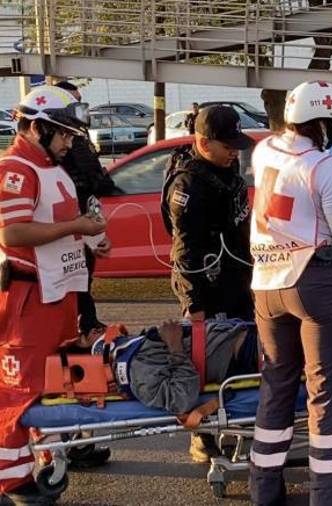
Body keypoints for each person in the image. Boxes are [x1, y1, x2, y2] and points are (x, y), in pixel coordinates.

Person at [248, 80, 332, 506]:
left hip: (266, 283)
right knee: (326, 395)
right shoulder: (324, 167)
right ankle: (326, 497)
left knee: (276, 384)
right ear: (322, 124)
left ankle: (264, 491)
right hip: (318, 283)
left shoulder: (263, 151)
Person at [0, 86, 107, 505]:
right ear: (36, 128)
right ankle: (11, 480)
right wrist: (75, 227)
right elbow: (13, 233)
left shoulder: (52, 168)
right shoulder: (15, 168)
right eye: (62, 133)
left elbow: (58, 224)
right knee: (18, 390)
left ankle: (52, 454)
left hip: (59, 293)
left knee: (59, 384)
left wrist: (89, 238)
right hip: (29, 298)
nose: (69, 142)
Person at [161, 105, 255, 461]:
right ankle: (202, 437)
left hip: (238, 280)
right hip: (205, 287)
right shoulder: (188, 185)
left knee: (244, 360)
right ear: (203, 141)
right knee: (206, 364)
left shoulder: (228, 170)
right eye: (227, 144)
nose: (235, 150)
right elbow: (184, 251)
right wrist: (194, 306)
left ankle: (239, 423)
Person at [74, 318, 258, 415]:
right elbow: (182, 400)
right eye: (84, 335)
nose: (93, 329)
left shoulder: (132, 351)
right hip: (242, 352)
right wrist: (175, 345)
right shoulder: (137, 376)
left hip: (240, 335)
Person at [53, 81, 119, 340]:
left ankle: (86, 323)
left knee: (82, 277)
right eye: (74, 100)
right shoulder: (70, 143)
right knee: (76, 279)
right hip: (72, 222)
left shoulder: (77, 139)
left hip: (84, 216)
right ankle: (85, 325)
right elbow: (92, 179)